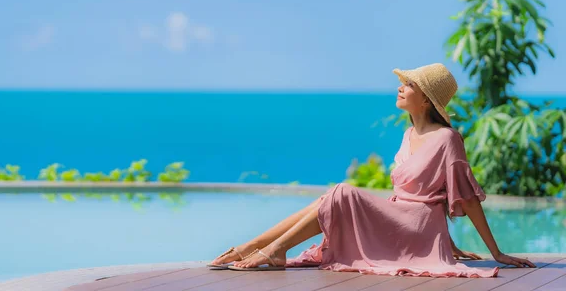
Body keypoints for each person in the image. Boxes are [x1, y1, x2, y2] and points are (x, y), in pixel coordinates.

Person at [208, 63, 536, 277]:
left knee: (341, 193)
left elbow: (464, 197)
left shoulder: (448, 139)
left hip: (416, 227)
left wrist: (496, 252)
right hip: (399, 218)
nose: (400, 87)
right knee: (330, 197)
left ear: (426, 101)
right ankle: (253, 246)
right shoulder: (409, 135)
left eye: (409, 85)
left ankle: (274, 249)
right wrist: (449, 243)